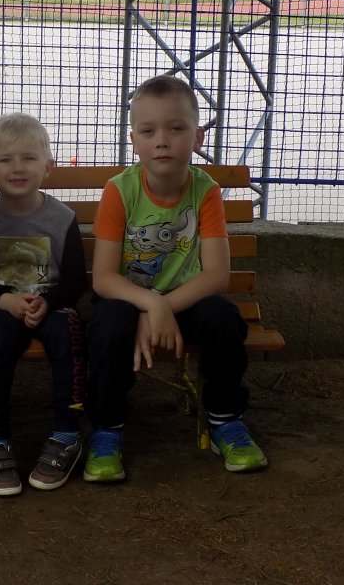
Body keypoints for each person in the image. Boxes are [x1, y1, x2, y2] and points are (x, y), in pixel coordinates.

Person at [83, 75, 268, 482]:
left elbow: (216, 275)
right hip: (127, 299)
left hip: (184, 301)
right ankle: (107, 428)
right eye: (149, 131)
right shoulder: (120, 191)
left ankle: (225, 420)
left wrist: (163, 306)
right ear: (134, 140)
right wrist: (150, 304)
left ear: (198, 136)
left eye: (176, 129)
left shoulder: (205, 191)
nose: (162, 141)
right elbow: (104, 278)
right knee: (109, 325)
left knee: (223, 318)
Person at [0, 113, 87, 496]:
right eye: (5, 160)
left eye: (29, 158)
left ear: (47, 167)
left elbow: (75, 281)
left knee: (69, 333)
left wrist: (47, 302)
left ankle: (66, 435)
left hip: (49, 305)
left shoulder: (62, 218)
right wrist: (5, 300)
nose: (17, 168)